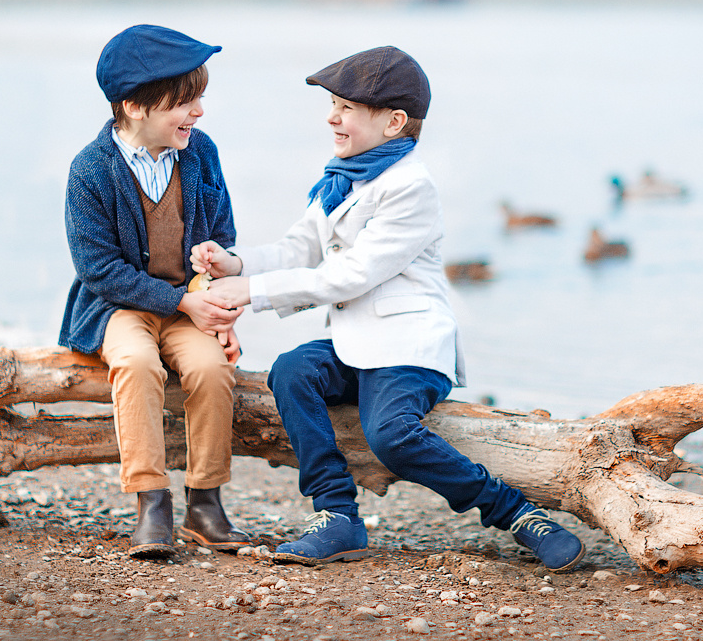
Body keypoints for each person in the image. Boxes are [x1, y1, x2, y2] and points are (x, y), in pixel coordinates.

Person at [191, 46, 586, 571]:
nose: (332, 116)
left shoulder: (410, 187)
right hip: (356, 346)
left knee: (391, 436)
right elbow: (297, 250)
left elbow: (352, 273)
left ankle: (514, 512)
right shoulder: (341, 177)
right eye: (333, 104)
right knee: (292, 371)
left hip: (408, 348)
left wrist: (255, 294)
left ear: (394, 122)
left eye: (346, 107)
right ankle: (336, 514)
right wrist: (236, 265)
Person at [61, 24, 252, 559]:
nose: (198, 113)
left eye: (199, 99)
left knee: (212, 368)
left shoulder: (200, 152)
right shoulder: (91, 170)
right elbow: (97, 268)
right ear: (134, 106)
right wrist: (180, 302)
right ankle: (152, 501)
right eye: (184, 102)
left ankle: (205, 501)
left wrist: (218, 309)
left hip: (191, 301)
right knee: (138, 364)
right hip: (119, 306)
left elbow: (223, 235)